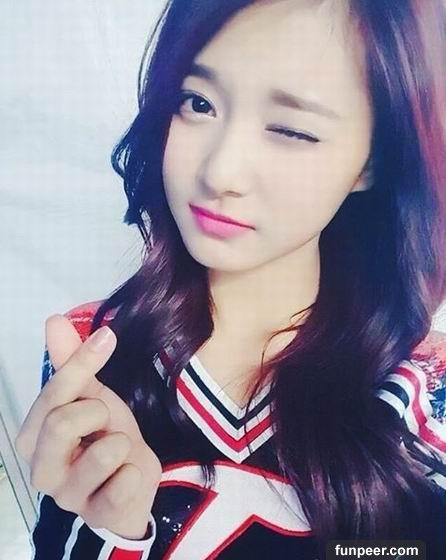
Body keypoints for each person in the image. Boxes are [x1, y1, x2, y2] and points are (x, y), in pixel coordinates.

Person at [15, 0, 446, 558]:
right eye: (198, 103)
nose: (219, 172)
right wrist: (115, 529)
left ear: (372, 162)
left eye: (291, 130)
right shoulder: (91, 351)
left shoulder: (425, 391)